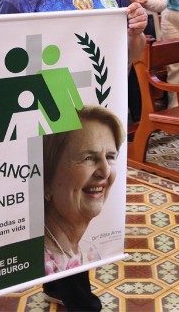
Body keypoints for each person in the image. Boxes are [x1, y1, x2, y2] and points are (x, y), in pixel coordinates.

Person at [0, 0, 147, 311]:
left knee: (82, 211)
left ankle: (67, 287)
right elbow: (0, 72)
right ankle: (71, 292)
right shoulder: (20, 0)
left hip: (92, 125)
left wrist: (136, 31)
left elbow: (130, 57)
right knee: (57, 210)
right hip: (44, 130)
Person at [42, 105, 123, 274]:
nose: (105, 172)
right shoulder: (41, 263)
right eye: (88, 158)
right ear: (47, 178)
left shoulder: (89, 250)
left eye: (110, 157)